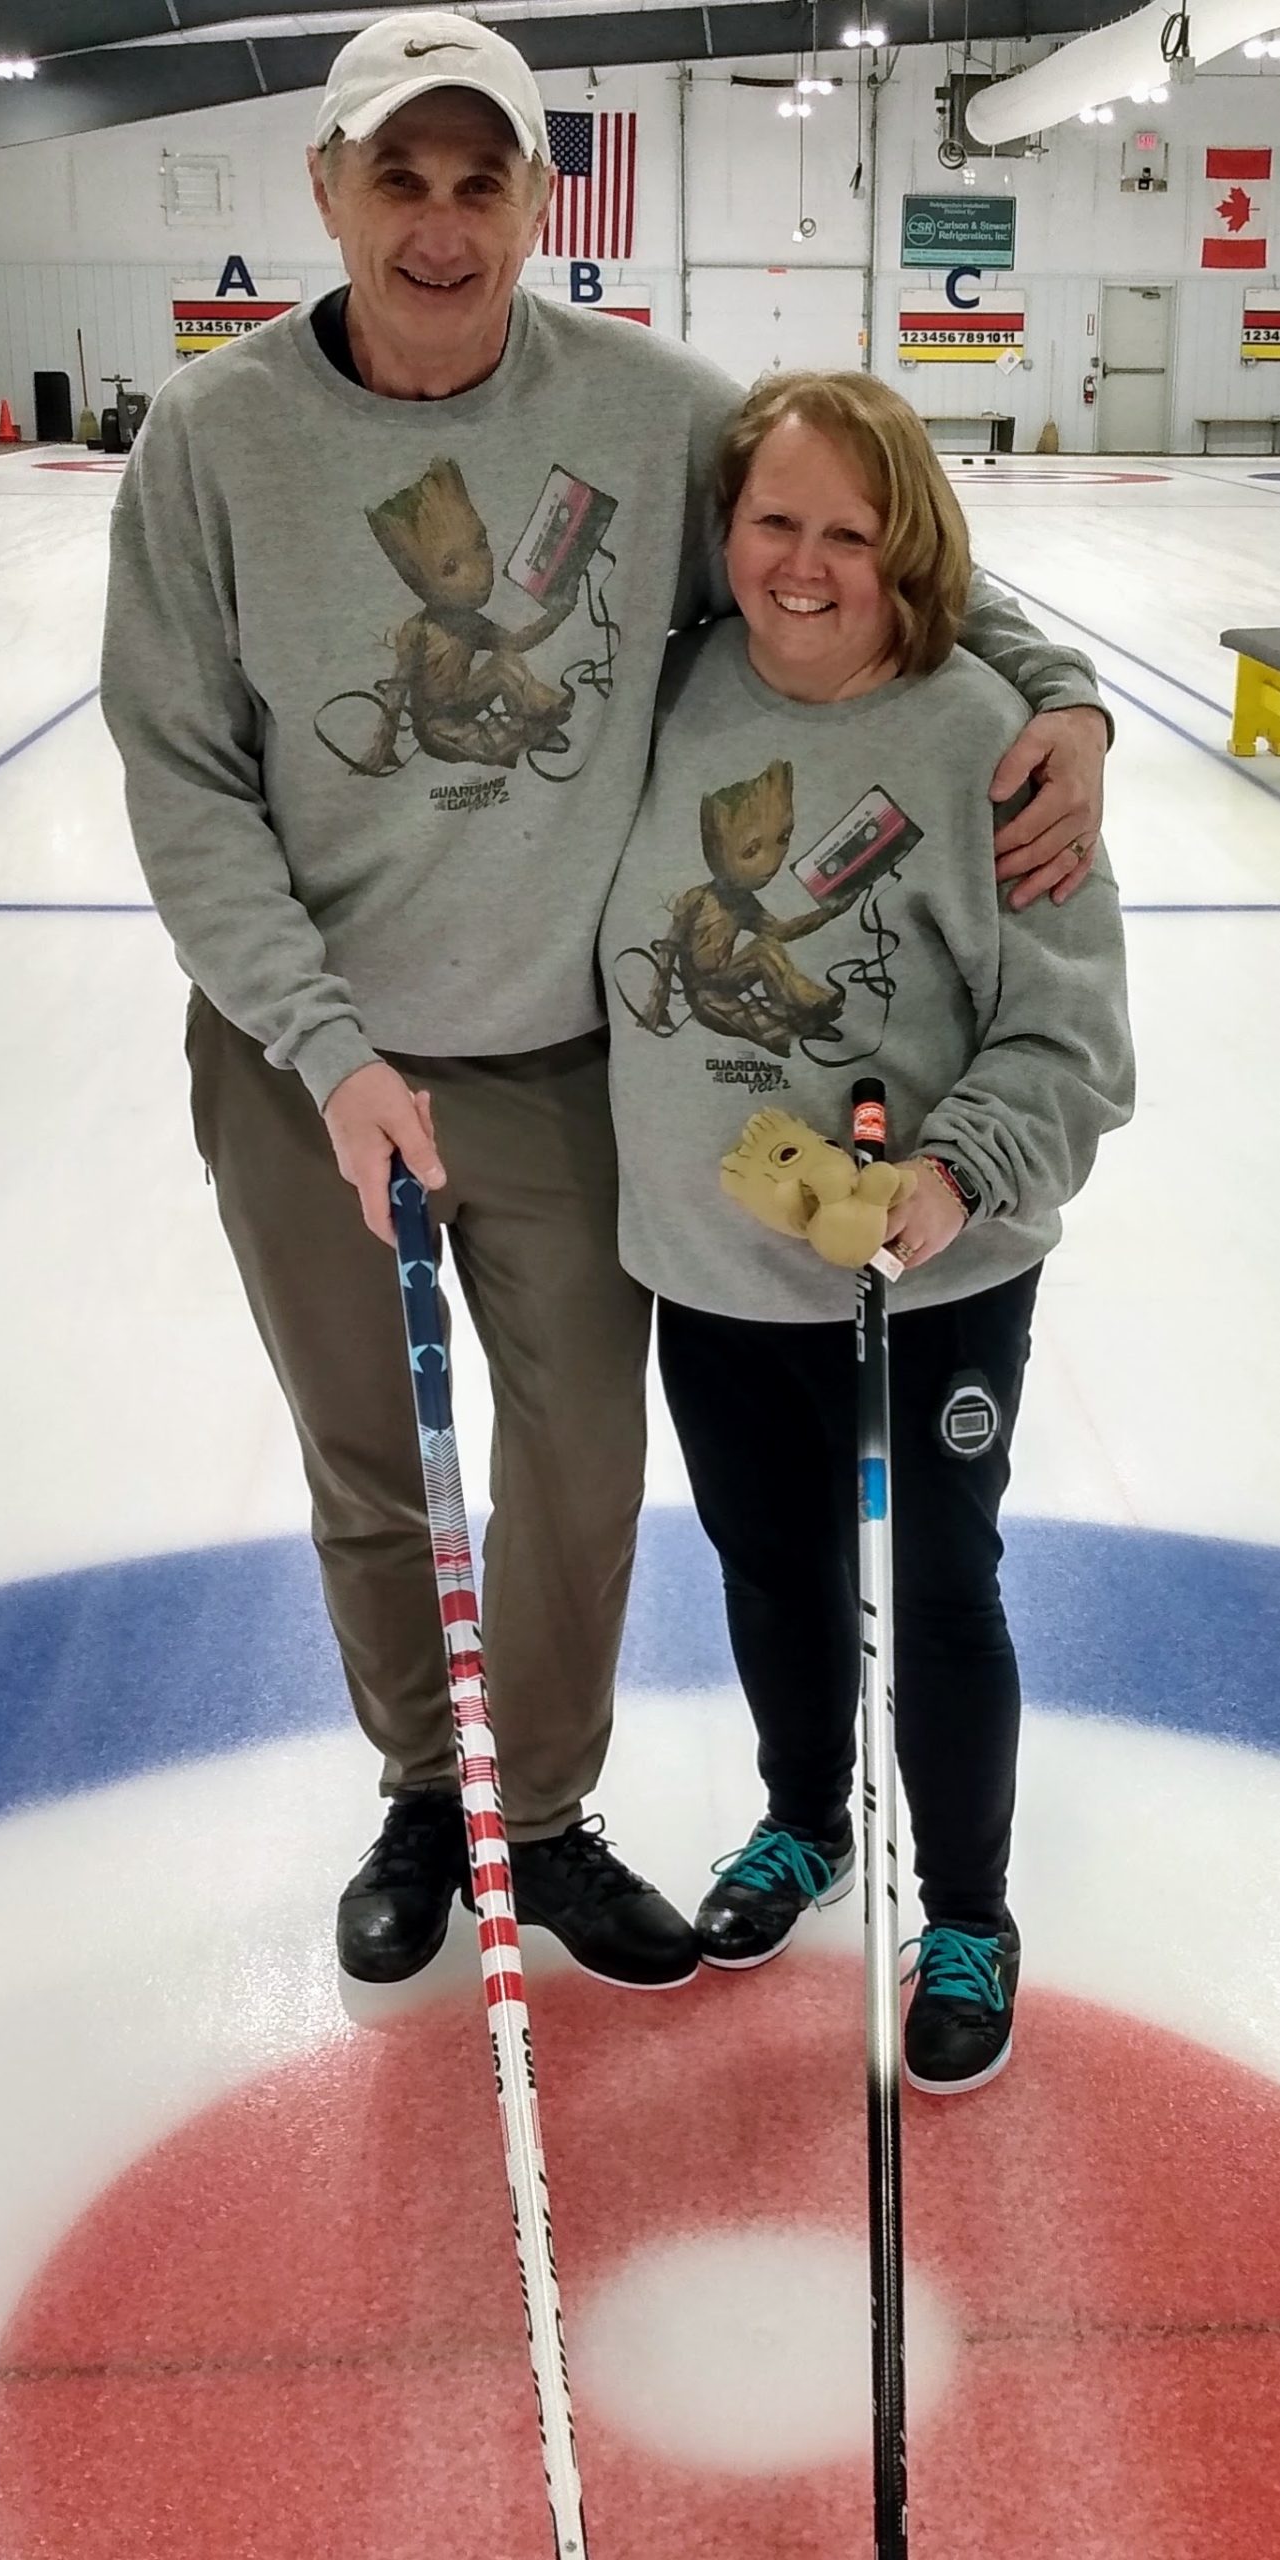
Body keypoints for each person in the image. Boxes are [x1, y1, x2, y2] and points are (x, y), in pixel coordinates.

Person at [100, 8, 1115, 2002]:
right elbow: (183, 777)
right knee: (372, 1466)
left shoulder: (656, 411)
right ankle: (431, 1795)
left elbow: (866, 539)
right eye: (399, 177)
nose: (441, 222)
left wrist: (1061, 694)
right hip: (310, 1066)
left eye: (480, 181)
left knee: (572, 1470)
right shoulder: (213, 441)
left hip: (569, 1069)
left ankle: (543, 1811)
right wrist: (323, 1044)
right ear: (327, 190)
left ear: (536, 202)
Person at [600, 369, 1133, 2087]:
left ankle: (965, 1909)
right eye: (774, 521)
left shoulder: (989, 739)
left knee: (939, 1589)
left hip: (930, 1283)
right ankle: (802, 1821)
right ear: (724, 533)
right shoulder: (670, 688)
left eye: (851, 531)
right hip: (711, 1267)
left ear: (912, 545)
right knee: (771, 1568)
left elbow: (1070, 1039)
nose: (805, 566)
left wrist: (953, 1172)